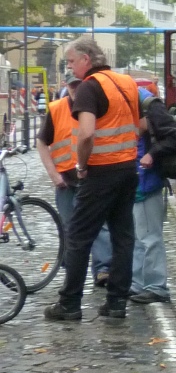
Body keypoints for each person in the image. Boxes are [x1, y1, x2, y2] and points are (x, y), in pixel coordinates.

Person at [43, 38, 141, 322]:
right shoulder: (127, 83)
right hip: (127, 170)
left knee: (78, 236)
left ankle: (69, 303)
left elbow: (86, 133)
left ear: (86, 59)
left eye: (71, 61)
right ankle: (116, 303)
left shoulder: (89, 87)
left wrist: (81, 165)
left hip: (100, 172)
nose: (70, 67)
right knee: (123, 237)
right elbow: (140, 125)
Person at [37, 73, 113, 287]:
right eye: (73, 86)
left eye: (80, 85)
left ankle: (103, 269)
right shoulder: (57, 109)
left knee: (100, 225)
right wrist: (54, 175)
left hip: (92, 178)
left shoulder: (96, 105)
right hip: (66, 182)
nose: (77, 90)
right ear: (66, 86)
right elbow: (41, 143)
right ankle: (72, 271)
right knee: (70, 228)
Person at [128, 85, 176, 304]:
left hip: (146, 181)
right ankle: (139, 283)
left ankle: (155, 286)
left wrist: (152, 154)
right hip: (137, 181)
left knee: (149, 236)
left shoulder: (148, 105)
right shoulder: (138, 102)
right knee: (139, 236)